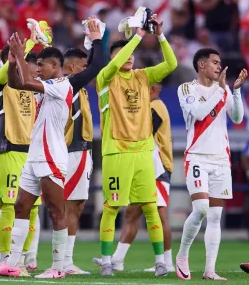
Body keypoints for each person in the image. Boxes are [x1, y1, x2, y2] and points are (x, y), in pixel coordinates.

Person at [0, 17, 103, 278]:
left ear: (56, 66)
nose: (38, 68)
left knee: (56, 211)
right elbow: (14, 82)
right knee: (21, 207)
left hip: (51, 157)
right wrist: (12, 60)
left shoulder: (60, 84)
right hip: (35, 157)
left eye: (41, 65)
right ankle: (13, 263)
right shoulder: (47, 86)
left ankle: (58, 268)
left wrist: (98, 40)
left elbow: (22, 82)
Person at [96, 14, 177, 277]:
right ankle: (107, 261)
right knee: (111, 207)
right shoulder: (105, 79)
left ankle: (161, 262)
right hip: (116, 151)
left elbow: (172, 63)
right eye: (123, 53)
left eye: (131, 53)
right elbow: (120, 58)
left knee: (150, 208)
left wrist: (160, 36)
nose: (129, 57)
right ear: (114, 58)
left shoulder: (143, 76)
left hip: (143, 152)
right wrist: (137, 36)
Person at [176, 48, 247, 281]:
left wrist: (234, 92)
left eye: (220, 62)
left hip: (220, 160)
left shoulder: (223, 89)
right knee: (201, 209)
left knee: (215, 216)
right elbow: (198, 112)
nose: (219, 66)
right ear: (201, 65)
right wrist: (220, 92)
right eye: (215, 62)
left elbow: (237, 118)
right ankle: (183, 254)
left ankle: (209, 270)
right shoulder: (187, 89)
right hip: (196, 156)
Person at [94, 82, 175, 272]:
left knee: (159, 215)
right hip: (147, 165)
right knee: (132, 213)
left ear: (153, 89)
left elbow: (142, 132)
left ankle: (168, 261)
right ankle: (118, 260)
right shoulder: (151, 105)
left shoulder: (156, 107)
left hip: (158, 167)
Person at [0, 38, 43, 275]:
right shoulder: (2, 85)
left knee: (32, 209)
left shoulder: (34, 87)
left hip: (32, 153)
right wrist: (24, 47)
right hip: (9, 151)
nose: (33, 67)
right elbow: (0, 73)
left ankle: (20, 260)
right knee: (8, 206)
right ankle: (7, 258)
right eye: (28, 62)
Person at [62, 48, 94, 275]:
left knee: (77, 205)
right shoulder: (70, 84)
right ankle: (64, 261)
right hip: (72, 150)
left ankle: (65, 260)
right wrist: (96, 42)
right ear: (73, 68)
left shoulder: (79, 89)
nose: (86, 72)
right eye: (83, 67)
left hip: (83, 150)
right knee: (69, 206)